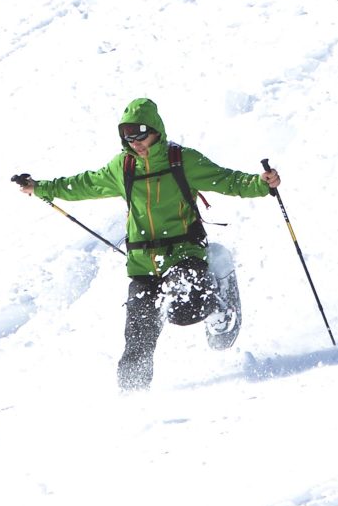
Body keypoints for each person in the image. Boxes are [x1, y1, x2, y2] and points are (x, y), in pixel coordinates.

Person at [15, 97, 279, 390]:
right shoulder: (123, 167)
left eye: (141, 136)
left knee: (185, 306)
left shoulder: (182, 160)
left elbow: (226, 180)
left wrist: (261, 184)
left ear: (156, 131)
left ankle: (220, 304)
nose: (136, 143)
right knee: (137, 341)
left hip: (184, 253)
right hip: (143, 265)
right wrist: (40, 187)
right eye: (128, 138)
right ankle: (132, 398)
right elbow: (84, 184)